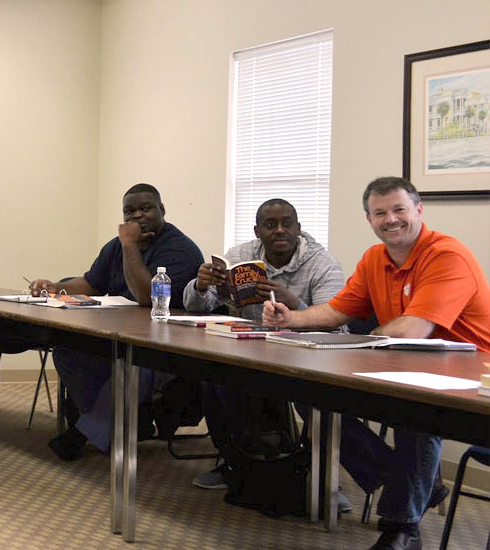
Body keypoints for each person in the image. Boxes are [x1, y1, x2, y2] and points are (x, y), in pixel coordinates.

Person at [264, 177, 490, 550]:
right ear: (369, 219)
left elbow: (411, 330)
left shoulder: (447, 255)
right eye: (380, 213)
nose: (391, 219)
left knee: (417, 414)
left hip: (468, 376)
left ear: (419, 210)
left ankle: (402, 528)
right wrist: (289, 319)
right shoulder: (374, 258)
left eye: (399, 209)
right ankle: (415, 480)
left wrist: (353, 349)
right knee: (310, 393)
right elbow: (338, 310)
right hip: (403, 365)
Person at [30, 183, 203, 460]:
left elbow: (147, 296)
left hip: (167, 345)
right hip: (119, 333)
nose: (136, 217)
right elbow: (91, 282)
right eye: (129, 211)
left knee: (134, 364)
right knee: (69, 349)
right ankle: (127, 420)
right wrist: (53, 287)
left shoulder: (180, 249)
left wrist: (130, 245)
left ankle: (84, 431)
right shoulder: (117, 245)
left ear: (162, 210)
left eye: (145, 209)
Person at [183, 199, 344, 491]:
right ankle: (235, 462)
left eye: (287, 224)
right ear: (257, 231)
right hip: (252, 350)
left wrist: (293, 304)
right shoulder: (240, 256)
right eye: (270, 225)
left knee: (319, 400)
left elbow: (337, 326)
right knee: (211, 376)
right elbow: (198, 306)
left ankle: (321, 481)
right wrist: (200, 285)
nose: (280, 230)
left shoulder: (323, 264)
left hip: (306, 354)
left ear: (299, 229)